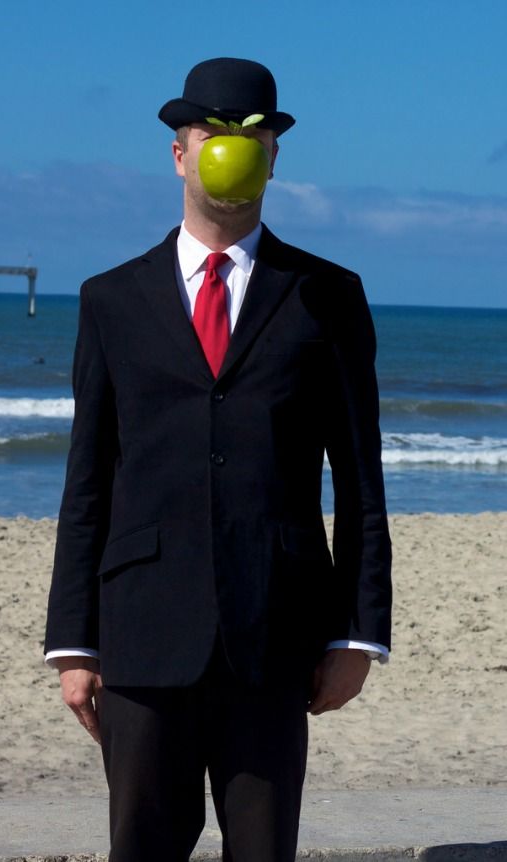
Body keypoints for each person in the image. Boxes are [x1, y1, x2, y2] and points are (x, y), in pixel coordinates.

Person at [44, 57, 392, 862]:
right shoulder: (110, 299)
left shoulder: (327, 294)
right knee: (142, 846)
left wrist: (357, 633)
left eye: (252, 134)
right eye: (212, 131)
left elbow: (360, 480)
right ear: (178, 151)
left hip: (275, 630)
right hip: (141, 631)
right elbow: (88, 477)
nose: (231, 146)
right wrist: (73, 640)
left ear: (274, 155)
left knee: (263, 851)